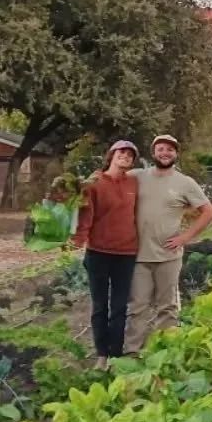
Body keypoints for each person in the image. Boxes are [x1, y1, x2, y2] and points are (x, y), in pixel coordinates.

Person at [123, 134, 212, 355]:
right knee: (138, 307)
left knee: (168, 307)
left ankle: (166, 353)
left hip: (168, 256)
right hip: (139, 256)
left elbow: (208, 212)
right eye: (161, 149)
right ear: (153, 153)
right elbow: (109, 180)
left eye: (170, 150)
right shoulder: (137, 177)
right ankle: (132, 353)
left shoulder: (185, 182)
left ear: (176, 154)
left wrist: (185, 237)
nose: (165, 153)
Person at [72, 140, 140, 370]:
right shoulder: (95, 182)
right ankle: (101, 354)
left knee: (120, 306)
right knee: (100, 305)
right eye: (122, 152)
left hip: (127, 253)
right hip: (98, 252)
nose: (126, 156)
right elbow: (86, 214)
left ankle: (116, 355)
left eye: (130, 155)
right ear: (110, 155)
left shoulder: (133, 183)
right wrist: (79, 238)